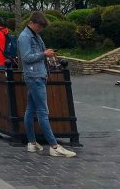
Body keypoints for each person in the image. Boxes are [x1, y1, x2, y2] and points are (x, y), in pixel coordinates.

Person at [19, 11, 76, 157]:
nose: (40, 29)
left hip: (36, 75)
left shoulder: (33, 35)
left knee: (30, 110)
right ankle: (54, 146)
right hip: (35, 76)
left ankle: (32, 143)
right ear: (32, 23)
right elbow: (26, 58)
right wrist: (43, 54)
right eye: (39, 27)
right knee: (43, 112)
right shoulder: (26, 36)